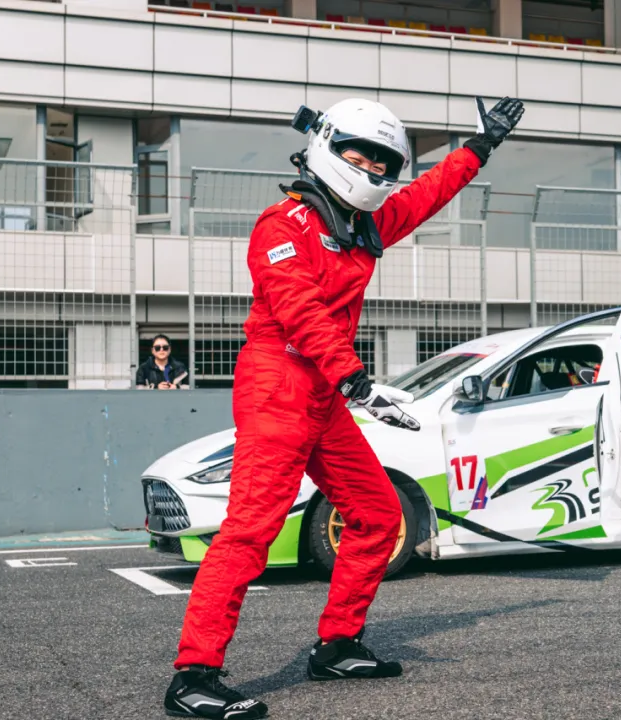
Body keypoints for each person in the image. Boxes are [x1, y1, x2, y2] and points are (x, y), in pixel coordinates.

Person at [163, 96, 525, 719]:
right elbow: (299, 313)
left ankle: (337, 645)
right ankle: (193, 677)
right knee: (250, 531)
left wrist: (479, 147)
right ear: (327, 148)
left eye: (384, 162)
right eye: (361, 155)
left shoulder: (364, 224)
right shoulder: (282, 225)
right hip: (278, 383)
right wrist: (358, 383)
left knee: (378, 516)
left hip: (325, 391)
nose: (372, 169)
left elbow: (428, 194)